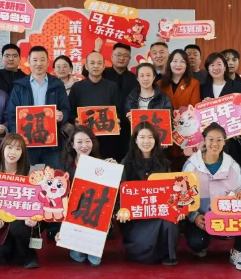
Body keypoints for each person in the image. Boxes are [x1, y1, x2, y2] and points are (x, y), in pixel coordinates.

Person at [182, 123, 241, 271]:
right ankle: (202, 242)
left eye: (219, 140)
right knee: (196, 242)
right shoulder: (191, 165)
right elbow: (183, 197)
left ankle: (238, 251)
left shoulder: (232, 165)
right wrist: (194, 216)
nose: (215, 144)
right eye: (211, 139)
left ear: (224, 142)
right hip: (203, 218)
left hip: (227, 217)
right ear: (204, 140)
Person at [116, 122, 181, 265]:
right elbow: (119, 193)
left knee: (170, 220)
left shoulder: (164, 163)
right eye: (142, 137)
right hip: (136, 217)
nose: (146, 141)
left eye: (150, 137)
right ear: (135, 140)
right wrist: (121, 210)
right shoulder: (126, 163)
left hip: (159, 213)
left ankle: (168, 255)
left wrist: (179, 208)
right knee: (143, 248)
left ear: (156, 140)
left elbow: (172, 192)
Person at [57, 125, 115, 266]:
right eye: (79, 142)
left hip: (95, 213)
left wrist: (112, 169)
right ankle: (75, 245)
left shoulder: (102, 165)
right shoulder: (64, 167)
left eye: (88, 141)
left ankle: (92, 245)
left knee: (95, 260)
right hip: (73, 214)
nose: (84, 146)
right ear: (72, 144)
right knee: (79, 256)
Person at [0, 134, 40, 269]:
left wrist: (35, 218)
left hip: (23, 223)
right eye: (9, 147)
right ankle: (16, 249)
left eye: (18, 149)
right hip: (1, 225)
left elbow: (39, 201)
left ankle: (29, 255)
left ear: (23, 152)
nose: (13, 152)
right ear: (2, 148)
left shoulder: (31, 173)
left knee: (17, 226)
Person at [8, 46, 70, 169]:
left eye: (42, 60)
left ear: (48, 62)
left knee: (54, 176)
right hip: (27, 143)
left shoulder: (57, 84)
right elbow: (12, 114)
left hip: (52, 144)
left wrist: (62, 116)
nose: (39, 63)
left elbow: (66, 108)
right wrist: (19, 138)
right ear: (28, 62)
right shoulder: (19, 86)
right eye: (35, 60)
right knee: (26, 175)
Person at [69, 51, 122, 161]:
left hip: (108, 138)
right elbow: (70, 111)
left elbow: (119, 110)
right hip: (85, 139)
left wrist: (117, 120)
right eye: (92, 63)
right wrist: (75, 120)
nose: (96, 66)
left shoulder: (112, 87)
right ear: (86, 66)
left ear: (104, 66)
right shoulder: (77, 87)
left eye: (99, 63)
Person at [199, 53, 241, 165]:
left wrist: (239, 129)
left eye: (219, 64)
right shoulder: (202, 88)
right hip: (210, 139)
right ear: (207, 69)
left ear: (225, 67)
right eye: (212, 65)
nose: (215, 68)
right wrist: (204, 105)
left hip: (232, 138)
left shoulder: (237, 86)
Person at [160, 49, 200, 170]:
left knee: (185, 168)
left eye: (182, 61)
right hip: (165, 132)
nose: (178, 64)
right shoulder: (159, 84)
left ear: (187, 65)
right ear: (169, 63)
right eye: (175, 61)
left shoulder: (193, 83)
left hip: (185, 132)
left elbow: (194, 108)